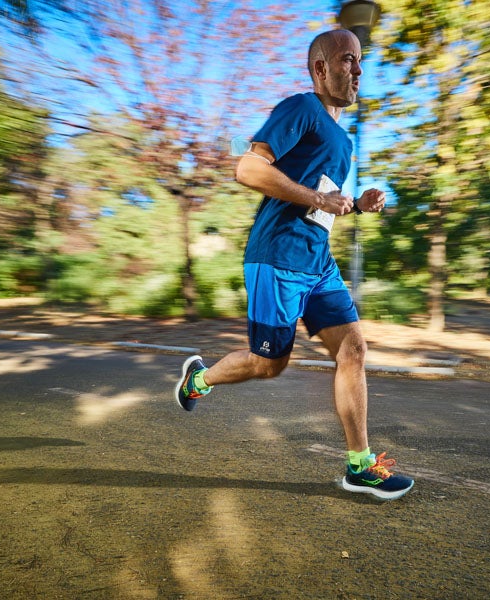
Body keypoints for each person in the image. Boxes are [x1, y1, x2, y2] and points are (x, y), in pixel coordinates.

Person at [175, 29, 414, 501]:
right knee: (269, 365)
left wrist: (357, 206)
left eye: (361, 62)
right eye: (348, 60)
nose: (359, 71)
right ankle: (198, 379)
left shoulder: (342, 140)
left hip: (317, 261)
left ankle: (360, 466)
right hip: (277, 258)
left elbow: (318, 203)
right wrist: (320, 196)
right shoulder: (302, 107)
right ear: (321, 68)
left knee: (354, 350)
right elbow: (249, 169)